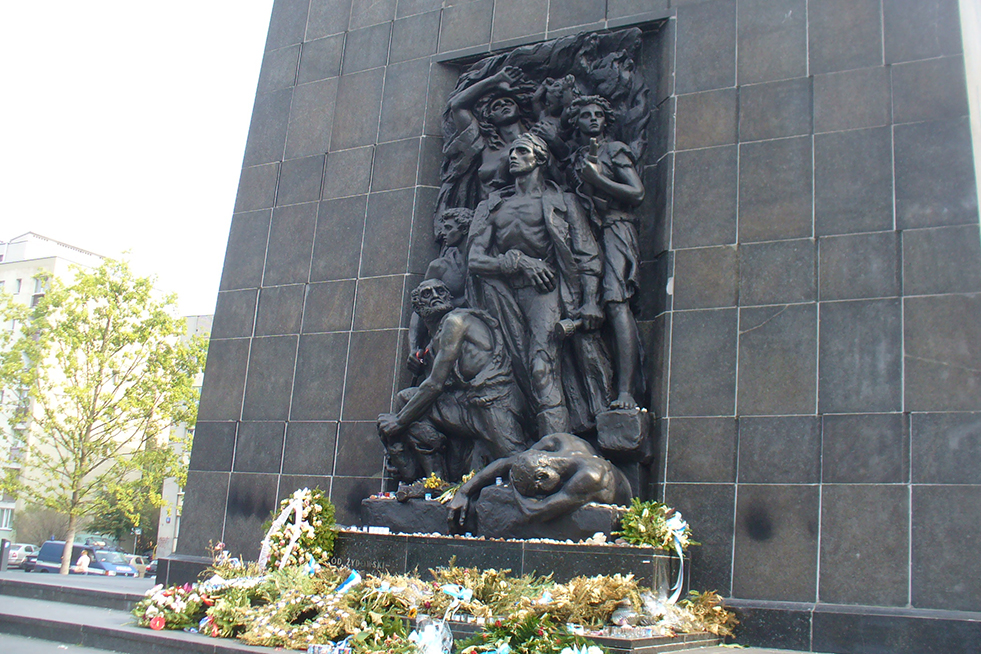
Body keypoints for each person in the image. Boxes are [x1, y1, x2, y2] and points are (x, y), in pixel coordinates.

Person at [468, 132, 610, 436]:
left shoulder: (564, 202)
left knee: (541, 367)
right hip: (501, 297)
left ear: (540, 158)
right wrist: (519, 262)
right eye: (511, 152)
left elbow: (587, 255)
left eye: (522, 151)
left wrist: (590, 301)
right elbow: (475, 260)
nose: (513, 156)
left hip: (546, 292)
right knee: (508, 371)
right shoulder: (493, 207)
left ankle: (556, 446)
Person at [378, 279, 526, 482]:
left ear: (449, 297)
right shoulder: (435, 341)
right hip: (468, 405)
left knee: (518, 462)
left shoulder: (456, 321)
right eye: (427, 294)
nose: (435, 296)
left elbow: (434, 385)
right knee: (406, 399)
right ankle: (434, 481)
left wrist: (399, 422)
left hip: (493, 402)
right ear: (418, 308)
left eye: (440, 291)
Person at [568, 96, 646, 410]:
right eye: (585, 115)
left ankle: (626, 392)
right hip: (584, 232)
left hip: (615, 228)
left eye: (598, 114)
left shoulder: (615, 150)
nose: (593, 119)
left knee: (616, 303)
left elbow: (637, 193)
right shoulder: (575, 157)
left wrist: (599, 179)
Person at [447, 432, 632, 525]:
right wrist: (464, 492)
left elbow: (534, 511)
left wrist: (517, 493)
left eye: (536, 491)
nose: (539, 495)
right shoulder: (557, 442)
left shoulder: (590, 477)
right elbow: (504, 463)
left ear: (543, 476)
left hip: (621, 495)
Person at [407, 208, 474, 375]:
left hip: (479, 337)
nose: (442, 233)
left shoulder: (484, 259)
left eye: (448, 228)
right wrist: (414, 348)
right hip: (446, 340)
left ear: (464, 229)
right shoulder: (439, 267)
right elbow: (420, 308)